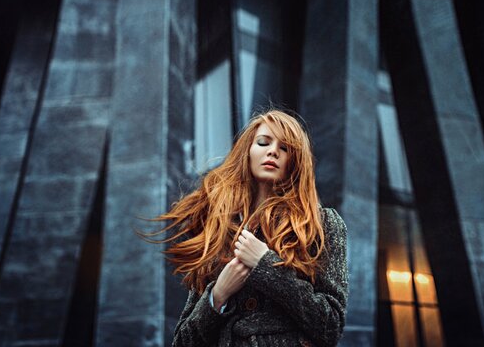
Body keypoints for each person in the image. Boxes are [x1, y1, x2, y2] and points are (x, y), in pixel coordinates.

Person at [148, 109, 348, 347]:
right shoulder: (221, 230)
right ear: (248, 152)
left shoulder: (321, 224)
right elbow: (182, 342)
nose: (273, 151)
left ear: (295, 161)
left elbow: (330, 326)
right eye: (263, 142)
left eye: (284, 148)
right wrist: (218, 294)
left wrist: (264, 265)